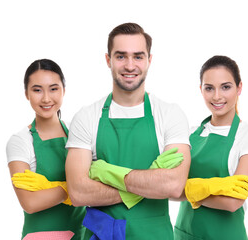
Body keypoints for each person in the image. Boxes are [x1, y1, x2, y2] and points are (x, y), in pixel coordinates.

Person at [65, 22, 191, 239]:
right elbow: (78, 192)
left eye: (138, 56)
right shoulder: (86, 117)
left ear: (149, 60)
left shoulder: (170, 114)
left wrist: (107, 174)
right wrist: (149, 183)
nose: (130, 65)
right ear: (108, 60)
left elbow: (173, 185)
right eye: (121, 56)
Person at [174, 55, 248, 240]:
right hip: (183, 235)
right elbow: (166, 188)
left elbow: (234, 201)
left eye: (226, 87)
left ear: (239, 87)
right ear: (201, 90)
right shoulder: (189, 134)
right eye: (209, 88)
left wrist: (185, 189)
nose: (217, 96)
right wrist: (202, 188)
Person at [6, 59, 86, 239]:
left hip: (82, 234)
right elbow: (30, 202)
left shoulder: (79, 133)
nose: (46, 98)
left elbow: (96, 182)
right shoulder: (20, 141)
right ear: (26, 93)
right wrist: (75, 189)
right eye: (37, 90)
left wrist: (52, 189)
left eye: (53, 88)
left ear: (64, 90)